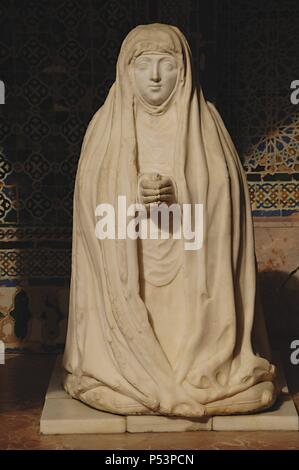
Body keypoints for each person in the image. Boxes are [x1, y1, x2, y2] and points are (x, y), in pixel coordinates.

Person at [63, 23, 278, 417]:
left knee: (248, 391)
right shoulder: (104, 128)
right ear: (127, 71)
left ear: (186, 71)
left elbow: (225, 201)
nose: (156, 76)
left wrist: (178, 194)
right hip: (132, 266)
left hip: (193, 270)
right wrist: (131, 195)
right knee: (115, 387)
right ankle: (124, 372)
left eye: (167, 64)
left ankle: (199, 374)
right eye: (144, 65)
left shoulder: (207, 124)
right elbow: (91, 203)